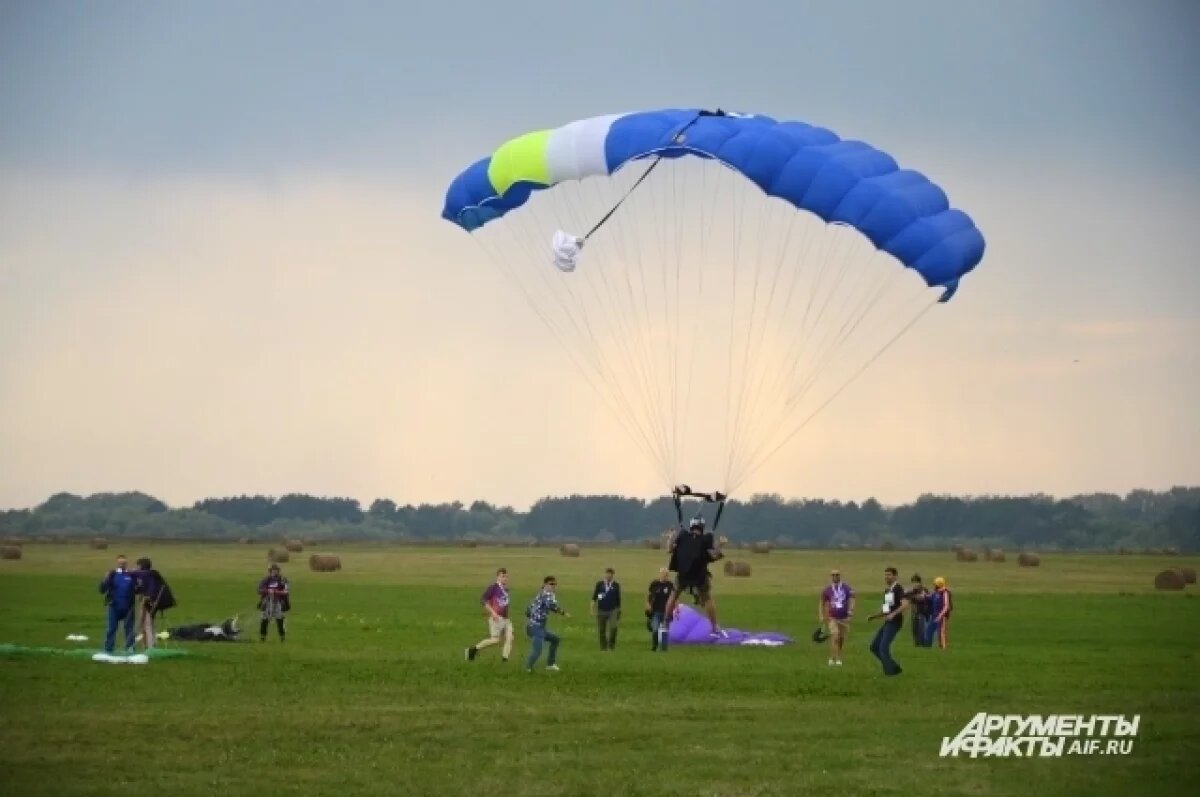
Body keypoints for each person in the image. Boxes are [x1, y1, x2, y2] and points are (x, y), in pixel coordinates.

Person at [664, 485, 727, 640]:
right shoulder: (707, 538)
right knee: (707, 599)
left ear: (691, 526)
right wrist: (721, 545)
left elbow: (669, 550)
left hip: (683, 574)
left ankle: (665, 623)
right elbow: (713, 555)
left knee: (674, 594)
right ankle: (714, 627)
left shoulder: (683, 535)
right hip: (699, 575)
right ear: (702, 527)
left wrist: (671, 537)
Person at [867, 566, 908, 676]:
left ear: (895, 576)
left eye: (889, 575)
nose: (886, 577)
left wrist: (893, 614)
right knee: (874, 647)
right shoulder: (888, 590)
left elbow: (905, 604)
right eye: (885, 575)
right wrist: (874, 616)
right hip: (888, 622)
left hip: (895, 622)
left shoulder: (898, 588)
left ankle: (890, 673)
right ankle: (894, 668)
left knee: (883, 648)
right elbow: (886, 608)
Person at [466, 568, 513, 662]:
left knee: (510, 637)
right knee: (495, 640)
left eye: (506, 576)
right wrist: (493, 612)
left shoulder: (506, 589)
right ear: (498, 577)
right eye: (502, 576)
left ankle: (505, 660)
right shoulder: (493, 588)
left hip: (506, 619)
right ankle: (473, 650)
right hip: (496, 618)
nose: (505, 578)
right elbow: (483, 600)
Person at [524, 576, 569, 672]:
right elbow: (552, 606)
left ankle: (550, 664)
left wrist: (533, 614)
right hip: (536, 627)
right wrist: (564, 613)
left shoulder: (541, 594)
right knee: (537, 651)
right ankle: (528, 668)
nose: (553, 586)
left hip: (538, 627)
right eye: (551, 584)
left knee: (555, 640)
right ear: (545, 584)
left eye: (555, 584)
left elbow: (528, 610)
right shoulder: (547, 595)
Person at [133, 557, 176, 650]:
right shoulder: (152, 575)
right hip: (152, 602)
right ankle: (150, 644)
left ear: (141, 566)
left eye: (138, 566)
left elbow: (150, 589)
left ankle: (150, 646)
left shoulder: (148, 575)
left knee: (147, 624)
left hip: (150, 602)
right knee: (148, 624)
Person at [98, 554, 138, 654]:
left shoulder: (131, 575)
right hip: (114, 606)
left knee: (129, 629)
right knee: (111, 629)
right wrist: (105, 579)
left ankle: (130, 649)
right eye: (120, 563)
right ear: (117, 563)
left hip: (128, 607)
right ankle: (108, 649)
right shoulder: (112, 575)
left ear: (126, 564)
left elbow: (138, 589)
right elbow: (102, 590)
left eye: (123, 563)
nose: (122, 565)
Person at [819, 568, 855, 666]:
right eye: (833, 575)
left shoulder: (846, 588)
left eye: (837, 575)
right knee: (834, 636)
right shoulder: (827, 589)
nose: (835, 577)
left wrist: (851, 610)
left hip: (844, 618)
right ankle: (832, 658)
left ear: (840, 576)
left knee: (841, 638)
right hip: (832, 617)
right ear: (831, 577)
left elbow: (852, 599)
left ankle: (839, 656)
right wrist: (821, 614)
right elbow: (822, 602)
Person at [590, 567, 622, 650]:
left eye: (610, 575)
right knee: (602, 630)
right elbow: (595, 596)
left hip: (613, 610)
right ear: (605, 574)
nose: (608, 576)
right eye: (607, 574)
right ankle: (603, 647)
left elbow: (618, 598)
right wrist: (592, 607)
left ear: (613, 576)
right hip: (601, 610)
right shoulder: (600, 584)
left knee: (613, 628)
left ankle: (611, 645)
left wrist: (619, 609)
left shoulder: (616, 585)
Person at [257, 563, 290, 642]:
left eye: (276, 570)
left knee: (280, 621)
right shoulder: (265, 580)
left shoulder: (283, 580)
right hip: (267, 602)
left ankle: (282, 637)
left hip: (278, 602)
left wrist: (276, 592)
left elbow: (286, 591)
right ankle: (263, 637)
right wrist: (268, 591)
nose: (274, 572)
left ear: (278, 571)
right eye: (273, 570)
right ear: (270, 571)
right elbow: (259, 590)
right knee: (264, 620)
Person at [646, 567, 673, 651]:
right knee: (655, 629)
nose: (664, 576)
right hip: (655, 611)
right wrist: (648, 605)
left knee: (664, 630)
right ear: (660, 574)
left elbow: (674, 597)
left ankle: (664, 648)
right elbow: (649, 595)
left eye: (666, 574)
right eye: (663, 574)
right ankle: (654, 646)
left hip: (666, 612)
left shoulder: (670, 585)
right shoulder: (654, 584)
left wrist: (676, 607)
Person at [925, 576, 953, 649]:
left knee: (941, 632)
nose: (934, 586)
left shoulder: (945, 592)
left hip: (942, 616)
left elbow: (946, 606)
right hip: (935, 615)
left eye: (935, 584)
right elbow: (928, 597)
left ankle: (943, 648)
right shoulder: (936, 593)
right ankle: (929, 646)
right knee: (930, 630)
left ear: (938, 584)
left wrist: (940, 616)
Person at [906, 573, 931, 647]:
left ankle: (923, 644)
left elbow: (922, 598)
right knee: (914, 630)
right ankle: (916, 645)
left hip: (922, 613)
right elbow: (906, 596)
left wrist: (914, 597)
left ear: (919, 582)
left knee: (921, 630)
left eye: (916, 582)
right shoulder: (912, 591)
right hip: (914, 613)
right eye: (913, 582)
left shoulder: (924, 590)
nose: (915, 584)